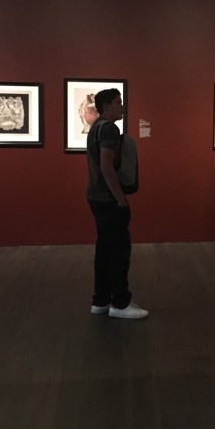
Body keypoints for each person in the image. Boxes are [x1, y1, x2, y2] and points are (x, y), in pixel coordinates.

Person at [86, 88, 148, 319]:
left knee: (104, 249)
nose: (122, 107)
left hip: (95, 196)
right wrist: (120, 199)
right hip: (108, 199)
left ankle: (101, 300)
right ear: (107, 105)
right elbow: (106, 165)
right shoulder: (109, 129)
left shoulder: (96, 127)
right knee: (119, 253)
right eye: (118, 102)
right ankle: (120, 304)